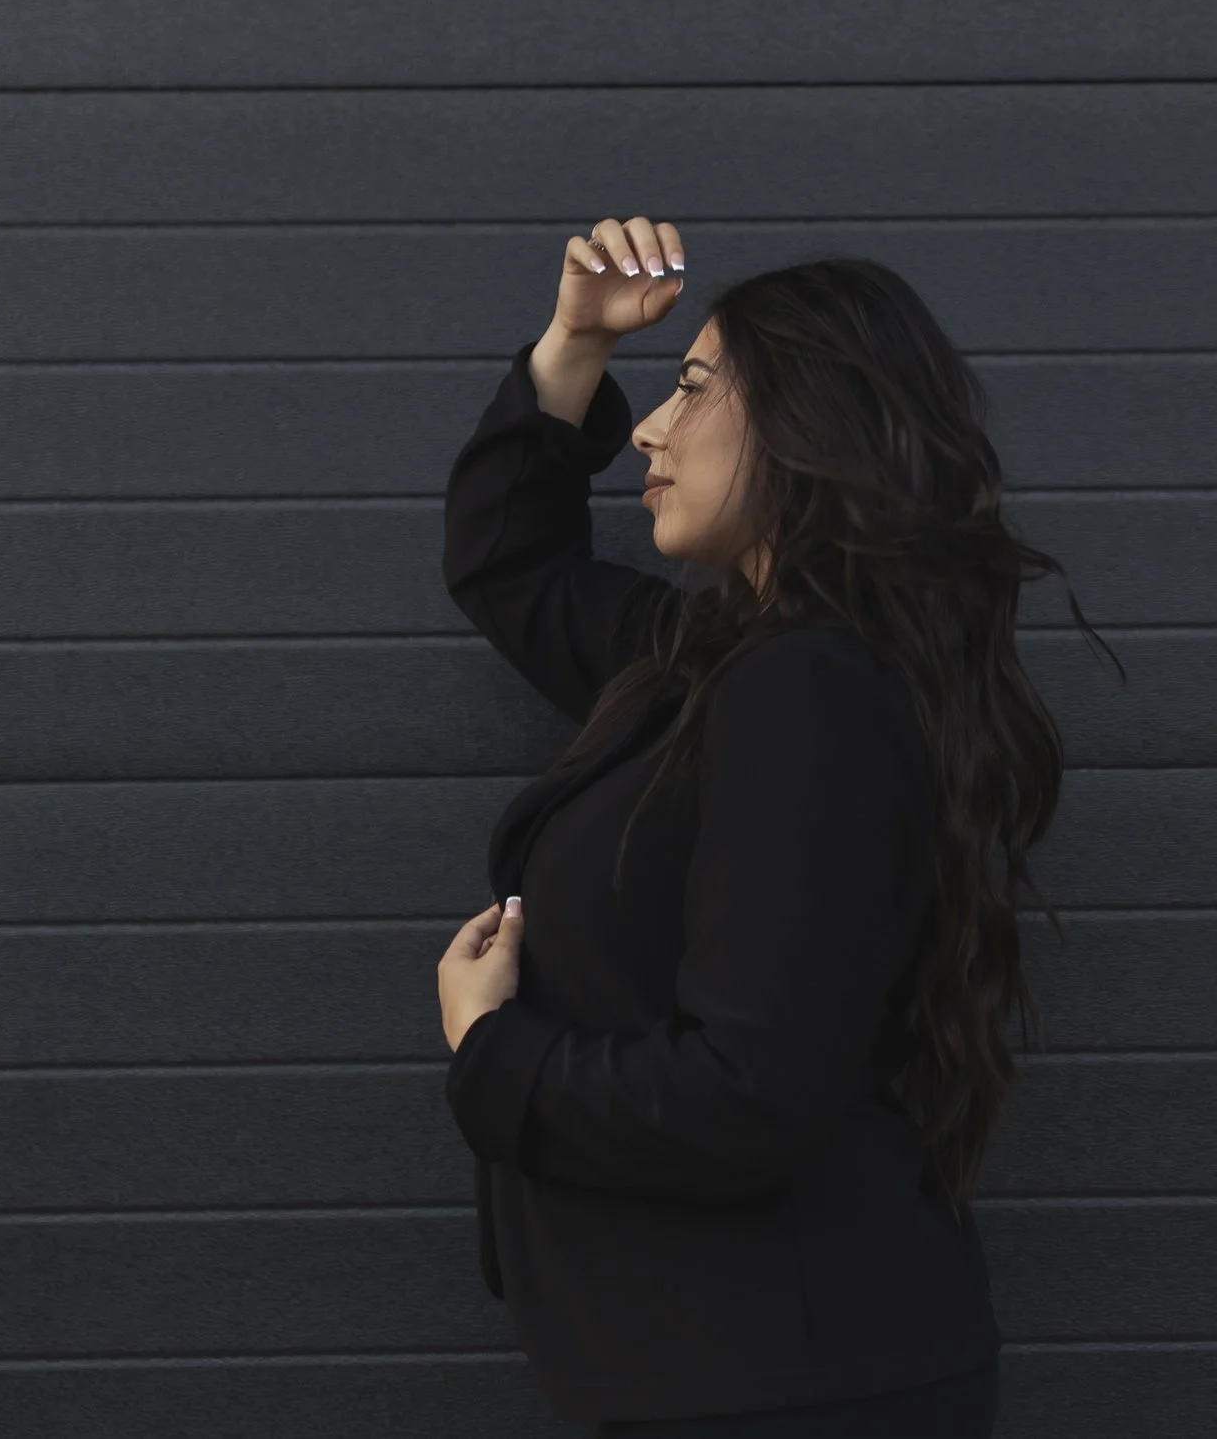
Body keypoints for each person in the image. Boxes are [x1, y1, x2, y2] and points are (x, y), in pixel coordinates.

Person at [434, 216, 1115, 1436]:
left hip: (784, 1383)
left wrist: (491, 1049)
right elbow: (508, 563)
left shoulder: (806, 692)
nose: (648, 426)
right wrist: (573, 343)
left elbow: (742, 1098)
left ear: (812, 423)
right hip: (735, 1369)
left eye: (692, 388)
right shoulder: (714, 660)